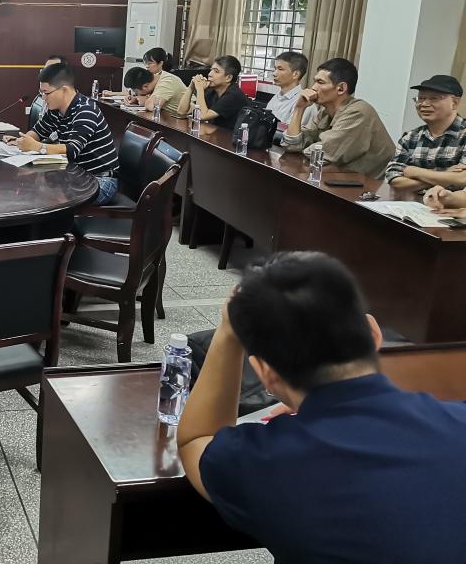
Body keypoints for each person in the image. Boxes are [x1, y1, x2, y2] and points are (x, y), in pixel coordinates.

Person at [177, 251, 466, 563]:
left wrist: (228, 332)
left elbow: (197, 439)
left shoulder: (264, 463)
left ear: (265, 372)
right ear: (373, 332)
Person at [12, 63, 119, 204]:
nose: (43, 98)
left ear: (64, 90)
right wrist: (22, 141)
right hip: (76, 176)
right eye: (41, 93)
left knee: (49, 200)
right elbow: (38, 131)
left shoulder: (85, 111)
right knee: (35, 191)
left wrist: (37, 147)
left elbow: (72, 150)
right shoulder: (56, 110)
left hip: (100, 181)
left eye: (46, 93)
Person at [282, 58, 395, 179]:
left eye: (320, 82)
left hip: (369, 186)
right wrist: (299, 108)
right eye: (315, 81)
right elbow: (292, 145)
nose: (313, 87)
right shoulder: (324, 112)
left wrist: (303, 147)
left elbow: (319, 154)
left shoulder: (358, 112)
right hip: (336, 180)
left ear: (341, 88)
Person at [384, 75, 466, 191]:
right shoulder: (410, 137)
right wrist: (446, 175)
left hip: (450, 202)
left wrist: (414, 171)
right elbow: (393, 178)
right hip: (410, 201)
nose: (424, 104)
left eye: (434, 98)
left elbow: (462, 179)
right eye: (421, 98)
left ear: (455, 103)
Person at [104, 49, 187, 117]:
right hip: (168, 116)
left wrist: (146, 100)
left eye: (150, 63)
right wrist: (136, 99)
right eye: (146, 63)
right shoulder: (152, 77)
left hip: (185, 119)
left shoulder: (167, 81)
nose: (147, 66)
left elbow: (151, 106)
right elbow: (134, 94)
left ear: (145, 86)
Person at [177, 55, 248, 130]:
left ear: (228, 78)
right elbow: (181, 111)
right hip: (216, 133)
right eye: (211, 70)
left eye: (216, 71)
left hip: (231, 136)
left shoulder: (233, 95)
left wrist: (200, 89)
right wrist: (191, 88)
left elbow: (202, 116)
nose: (210, 74)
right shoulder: (212, 91)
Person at [264, 52, 314, 130]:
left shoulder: (304, 102)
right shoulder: (276, 97)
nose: (274, 73)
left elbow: (290, 133)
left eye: (280, 69)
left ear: (296, 74)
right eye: (275, 69)